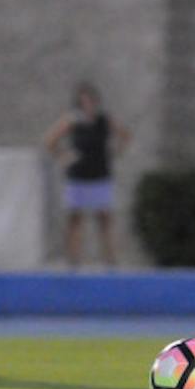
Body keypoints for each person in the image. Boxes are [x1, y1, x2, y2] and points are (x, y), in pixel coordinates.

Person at [43, 82, 131, 267]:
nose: (88, 105)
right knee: (75, 218)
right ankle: (73, 260)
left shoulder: (105, 120)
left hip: (100, 174)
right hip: (78, 176)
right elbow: (50, 139)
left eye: (91, 101)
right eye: (84, 101)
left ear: (96, 102)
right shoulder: (72, 120)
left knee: (104, 218)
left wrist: (117, 152)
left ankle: (110, 260)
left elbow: (125, 135)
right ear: (79, 103)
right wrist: (63, 156)